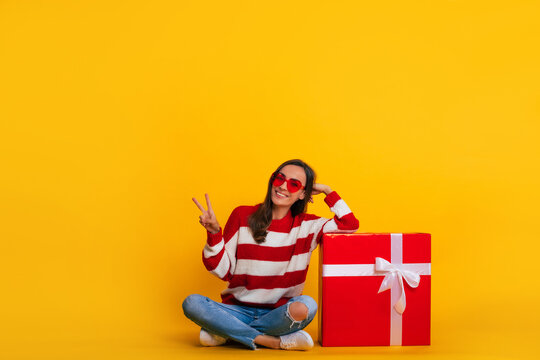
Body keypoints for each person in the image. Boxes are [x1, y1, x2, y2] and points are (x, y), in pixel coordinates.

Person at [182, 159, 359, 350]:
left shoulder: (308, 226)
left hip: (278, 315)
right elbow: (221, 270)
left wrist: (327, 190)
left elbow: (349, 225)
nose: (283, 186)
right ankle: (270, 341)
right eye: (279, 178)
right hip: (236, 310)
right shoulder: (242, 216)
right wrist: (214, 233)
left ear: (303, 194)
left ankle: (225, 332)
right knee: (192, 303)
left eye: (294, 184)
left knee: (307, 305)